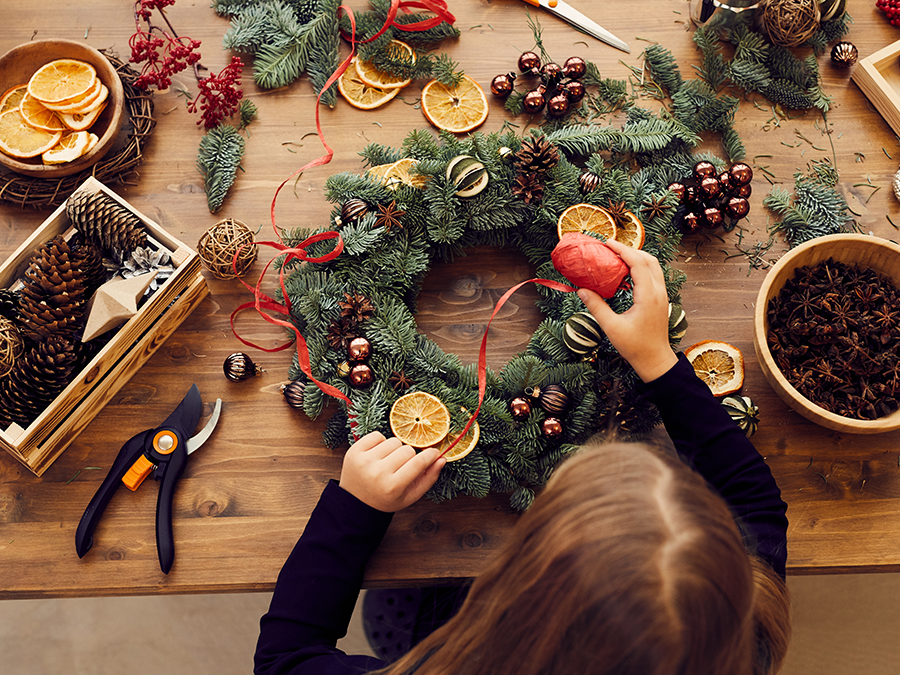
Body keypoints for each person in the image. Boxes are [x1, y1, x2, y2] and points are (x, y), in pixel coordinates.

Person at [254, 239, 791, 675]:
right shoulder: (745, 631)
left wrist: (355, 511)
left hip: (441, 640)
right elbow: (757, 503)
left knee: (401, 614)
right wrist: (658, 362)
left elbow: (285, 661)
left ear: (521, 594)